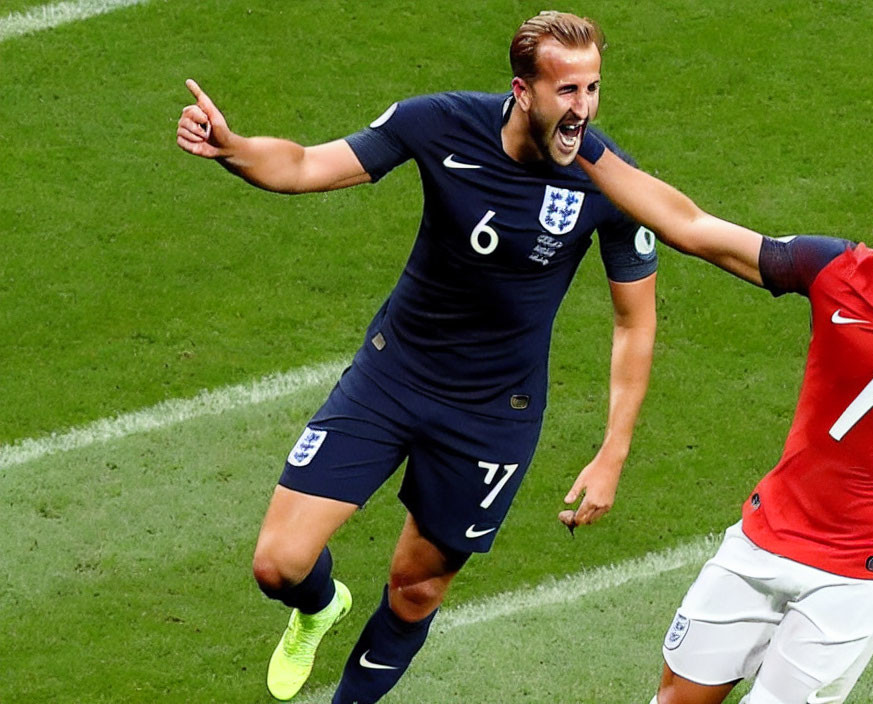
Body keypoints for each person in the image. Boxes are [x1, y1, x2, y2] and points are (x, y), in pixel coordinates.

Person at [176, 10, 657, 703]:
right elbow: (310, 165)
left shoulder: (609, 182)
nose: (582, 110)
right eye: (566, 91)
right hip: (393, 377)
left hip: (494, 415)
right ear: (523, 92)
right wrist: (234, 147)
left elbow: (634, 323)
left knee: (414, 589)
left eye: (592, 90)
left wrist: (612, 452)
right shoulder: (440, 124)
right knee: (279, 565)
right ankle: (319, 606)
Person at [572, 138, 873, 702]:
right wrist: (582, 146)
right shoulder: (833, 272)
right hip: (764, 539)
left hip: (857, 578)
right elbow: (690, 226)